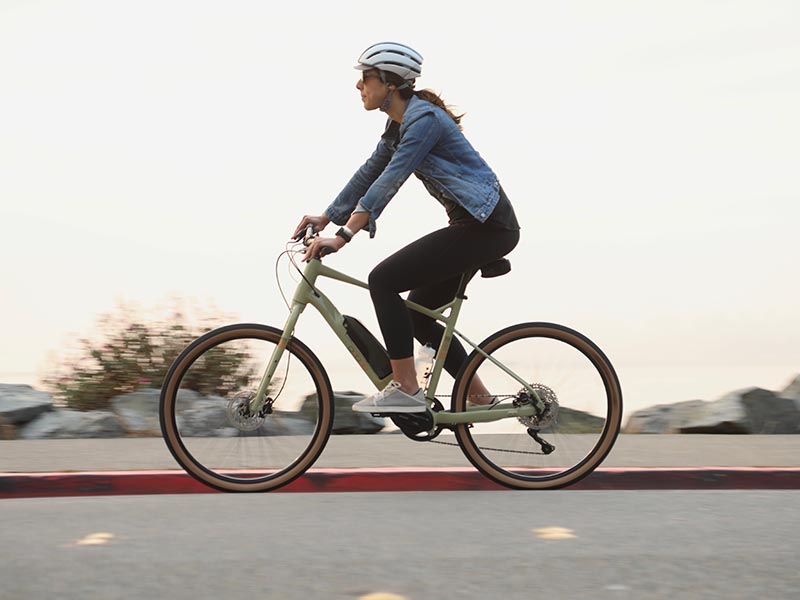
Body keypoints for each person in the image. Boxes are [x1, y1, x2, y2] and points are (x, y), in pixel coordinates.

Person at [292, 42, 520, 414]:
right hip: (475, 225)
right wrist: (328, 216)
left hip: (487, 227)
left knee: (383, 280)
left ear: (390, 83)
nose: (358, 86)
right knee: (418, 313)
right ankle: (477, 396)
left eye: (365, 78)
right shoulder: (400, 123)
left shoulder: (424, 121)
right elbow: (371, 171)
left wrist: (344, 235)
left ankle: (407, 389)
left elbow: (391, 179)